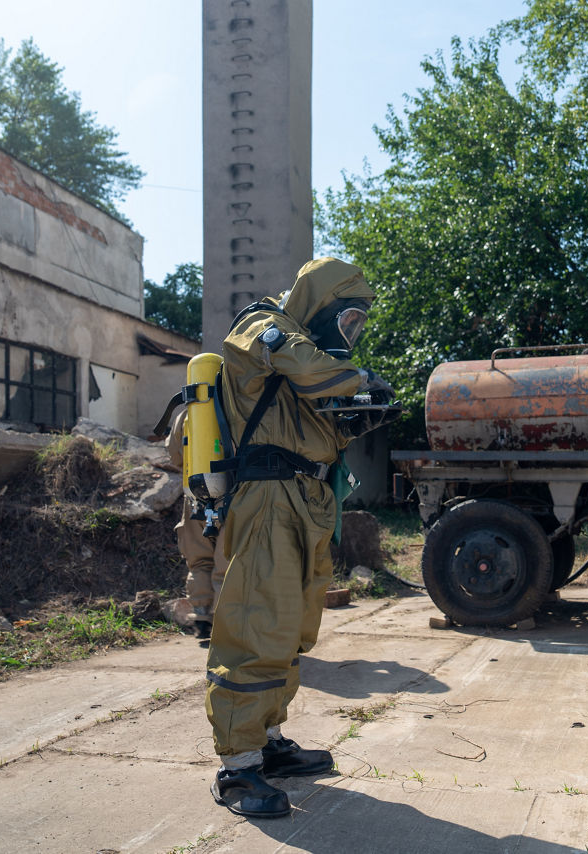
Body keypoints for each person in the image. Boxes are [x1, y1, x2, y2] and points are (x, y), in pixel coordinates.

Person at [206, 257, 394, 819]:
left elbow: (313, 418)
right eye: (349, 318)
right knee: (257, 625)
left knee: (290, 633)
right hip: (266, 497)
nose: (351, 333)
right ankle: (237, 769)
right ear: (321, 303)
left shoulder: (304, 364)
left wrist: (354, 419)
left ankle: (267, 744)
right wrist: (360, 381)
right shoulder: (261, 326)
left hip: (307, 500)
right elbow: (300, 362)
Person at [166, 406, 227, 641]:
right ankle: (225, 625)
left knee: (199, 560)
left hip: (194, 495)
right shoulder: (237, 403)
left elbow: (174, 454)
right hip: (231, 496)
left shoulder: (189, 410)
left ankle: (201, 615)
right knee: (227, 563)